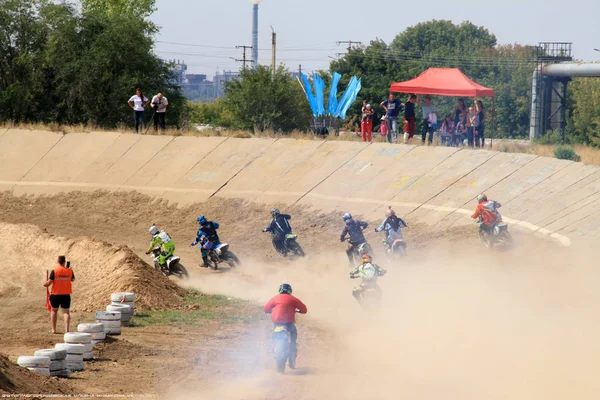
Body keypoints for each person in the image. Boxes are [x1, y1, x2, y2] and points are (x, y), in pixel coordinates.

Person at [263, 284, 308, 369]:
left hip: (277, 324)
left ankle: (273, 348)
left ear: (280, 290)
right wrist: (299, 311)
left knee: (274, 336)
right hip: (288, 324)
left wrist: (270, 311)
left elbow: (265, 309)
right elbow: (304, 309)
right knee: (293, 336)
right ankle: (292, 353)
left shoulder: (275, 298)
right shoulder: (293, 299)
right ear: (290, 291)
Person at [43, 256, 75, 334]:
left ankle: (54, 330)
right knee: (66, 312)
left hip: (55, 294)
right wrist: (70, 271)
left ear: (58, 261)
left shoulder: (54, 271)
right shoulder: (69, 271)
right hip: (66, 294)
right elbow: (72, 279)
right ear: (64, 262)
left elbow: (49, 282)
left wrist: (45, 284)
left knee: (54, 311)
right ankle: (67, 330)